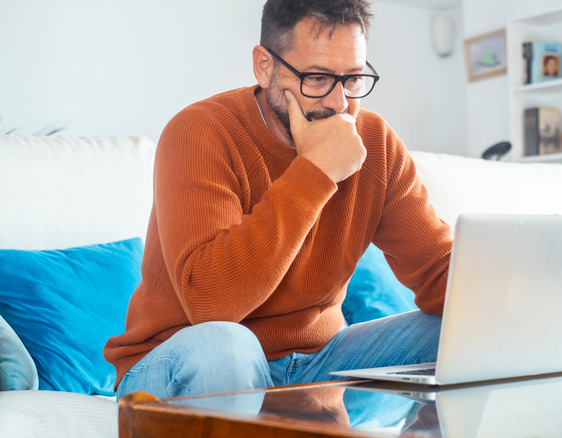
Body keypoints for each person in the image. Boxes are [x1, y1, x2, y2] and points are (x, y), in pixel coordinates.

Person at [104, 0, 452, 400]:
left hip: (314, 362)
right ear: (265, 66)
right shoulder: (199, 131)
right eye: (317, 79)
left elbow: (438, 272)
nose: (340, 104)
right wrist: (316, 170)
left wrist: (521, 299)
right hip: (182, 360)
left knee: (459, 334)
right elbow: (211, 305)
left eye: (353, 79)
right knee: (226, 346)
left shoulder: (375, 142)